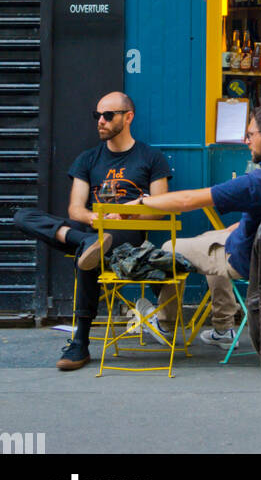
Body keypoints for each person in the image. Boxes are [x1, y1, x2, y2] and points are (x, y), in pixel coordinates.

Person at [140, 104, 261, 350]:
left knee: (171, 247)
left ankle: (165, 325)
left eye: (250, 135)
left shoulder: (258, 181)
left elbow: (188, 201)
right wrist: (243, 224)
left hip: (251, 260)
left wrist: (143, 200)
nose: (246, 141)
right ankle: (223, 327)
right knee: (211, 237)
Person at [12, 92, 171, 372]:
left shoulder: (151, 157)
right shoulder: (88, 159)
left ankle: (80, 343)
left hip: (127, 236)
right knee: (23, 215)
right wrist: (94, 221)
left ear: (128, 117)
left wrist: (125, 213)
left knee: (91, 253)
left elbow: (160, 208)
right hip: (92, 229)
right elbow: (75, 209)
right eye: (97, 115)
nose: (101, 121)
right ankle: (86, 242)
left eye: (108, 116)